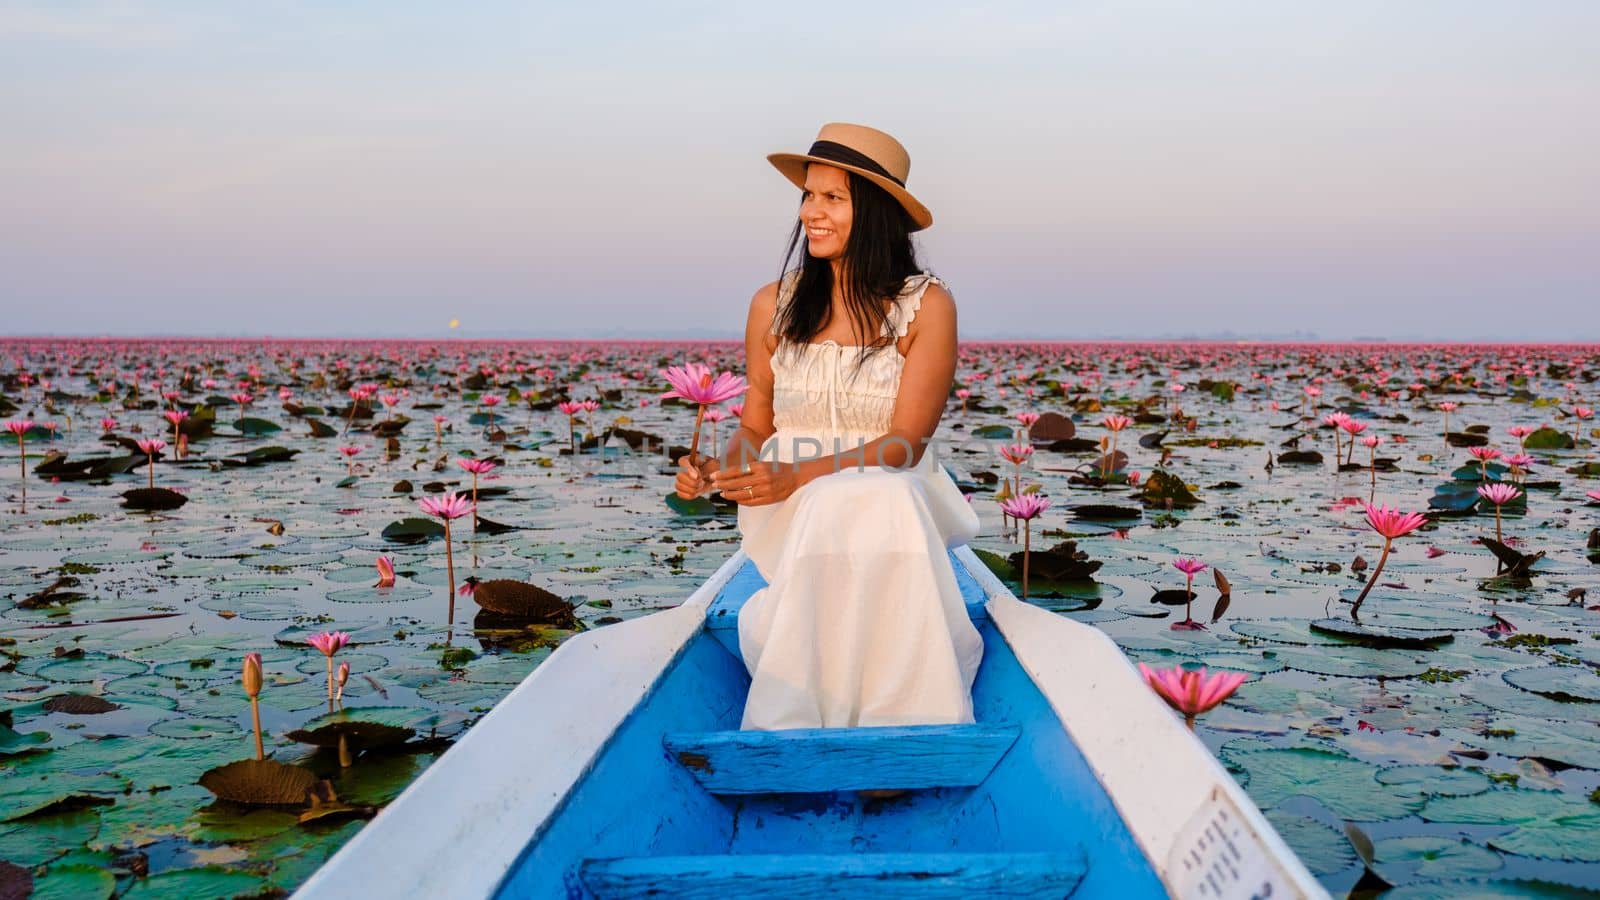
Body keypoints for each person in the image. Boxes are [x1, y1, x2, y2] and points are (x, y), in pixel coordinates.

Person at [674, 122, 982, 731]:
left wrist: (801, 474)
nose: (811, 213)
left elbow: (906, 443)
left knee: (876, 495)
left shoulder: (927, 306)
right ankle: (836, 717)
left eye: (832, 198)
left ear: (874, 213)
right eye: (808, 196)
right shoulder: (773, 304)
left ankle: (898, 721)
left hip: (892, 489)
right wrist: (718, 470)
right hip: (794, 504)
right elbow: (755, 427)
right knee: (834, 505)